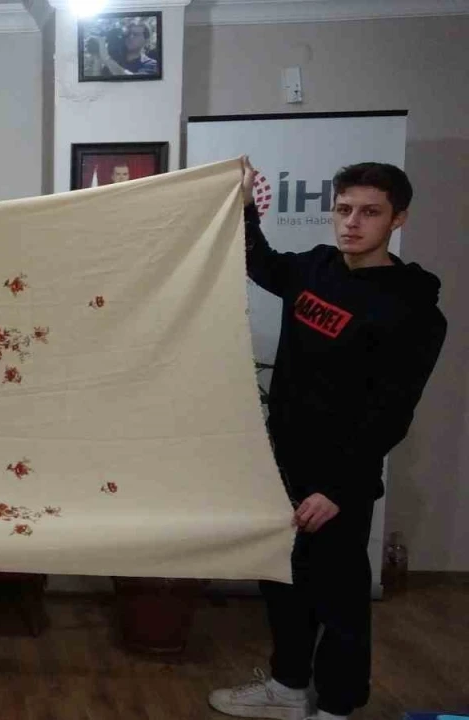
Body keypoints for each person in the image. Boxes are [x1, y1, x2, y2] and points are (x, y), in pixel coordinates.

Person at [208, 158, 446, 720]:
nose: (352, 223)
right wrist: (246, 206)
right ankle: (288, 688)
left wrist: (338, 487)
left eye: (370, 212)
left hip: (339, 479)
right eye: (344, 210)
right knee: (284, 582)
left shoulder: (411, 310)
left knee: (339, 597)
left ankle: (337, 707)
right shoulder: (315, 268)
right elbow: (260, 262)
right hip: (284, 463)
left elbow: (391, 413)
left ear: (398, 218)